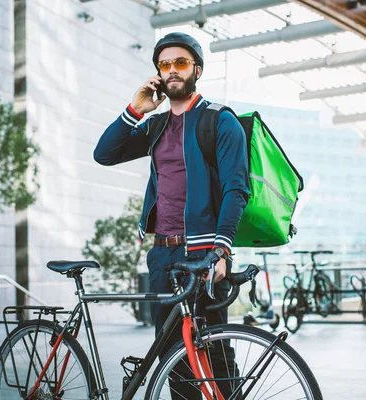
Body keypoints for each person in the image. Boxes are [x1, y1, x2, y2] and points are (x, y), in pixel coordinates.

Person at [93, 32, 249, 398]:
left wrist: (221, 251)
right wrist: (136, 110)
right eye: (165, 65)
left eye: (180, 62)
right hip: (161, 255)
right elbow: (105, 153)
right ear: (158, 75)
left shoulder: (219, 121)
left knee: (214, 354)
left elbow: (236, 189)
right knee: (172, 359)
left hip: (202, 253)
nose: (172, 70)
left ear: (197, 69)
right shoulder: (156, 125)